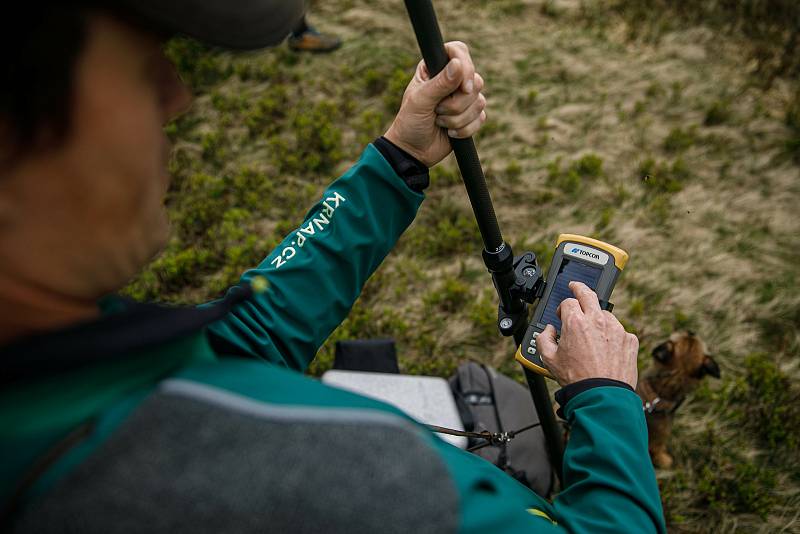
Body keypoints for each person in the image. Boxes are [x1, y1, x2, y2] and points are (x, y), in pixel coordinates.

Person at [0, 2, 665, 532]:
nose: (178, 96)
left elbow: (238, 347)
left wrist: (399, 158)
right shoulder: (334, 478)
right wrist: (606, 399)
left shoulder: (67, 358)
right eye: (140, 67)